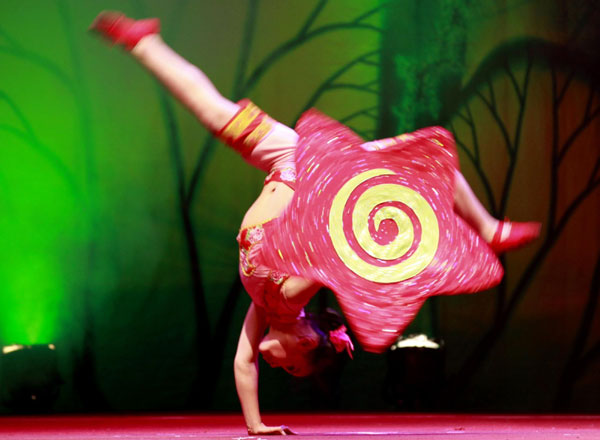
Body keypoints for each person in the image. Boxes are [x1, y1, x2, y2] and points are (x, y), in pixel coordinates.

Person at [89, 12, 540, 435]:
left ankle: (144, 43)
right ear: (305, 339)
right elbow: (333, 255)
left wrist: (256, 426)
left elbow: (242, 363)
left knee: (213, 112)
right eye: (291, 366)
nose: (277, 365)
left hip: (285, 158)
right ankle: (487, 229)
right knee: (429, 167)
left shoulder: (265, 306)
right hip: (317, 171)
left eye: (284, 372)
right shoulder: (290, 294)